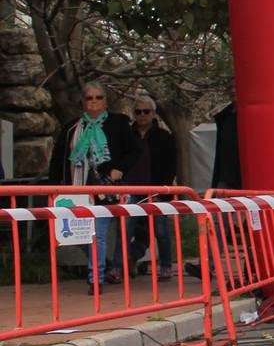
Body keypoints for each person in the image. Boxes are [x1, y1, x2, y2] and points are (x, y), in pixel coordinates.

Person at [48, 81, 140, 293]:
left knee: (96, 233)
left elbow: (135, 151)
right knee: (72, 233)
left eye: (98, 97)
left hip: (105, 189)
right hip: (76, 189)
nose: (94, 102)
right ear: (83, 101)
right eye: (90, 98)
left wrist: (119, 169)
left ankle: (95, 279)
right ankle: (102, 265)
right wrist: (54, 189)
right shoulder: (72, 127)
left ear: (105, 101)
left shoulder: (117, 124)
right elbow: (57, 159)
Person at [108, 94, 177, 280]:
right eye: (138, 111)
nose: (142, 115)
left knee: (161, 231)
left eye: (146, 111)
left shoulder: (164, 137)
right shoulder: (127, 136)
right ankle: (117, 267)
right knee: (125, 230)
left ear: (153, 113)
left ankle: (166, 266)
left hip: (156, 190)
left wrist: (163, 191)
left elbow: (171, 166)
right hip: (131, 189)